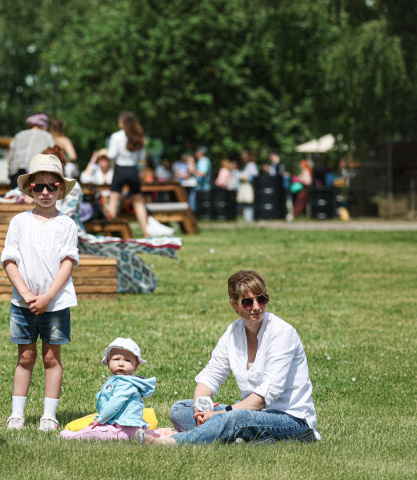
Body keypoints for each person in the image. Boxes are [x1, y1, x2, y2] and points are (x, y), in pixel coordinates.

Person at [149, 270, 319, 445]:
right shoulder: (233, 333)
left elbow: (263, 397)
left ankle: (172, 442)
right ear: (233, 304)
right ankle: (238, 436)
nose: (256, 307)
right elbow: (210, 376)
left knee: (232, 418)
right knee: (180, 409)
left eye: (262, 299)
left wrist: (222, 413)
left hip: (291, 420)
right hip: (252, 414)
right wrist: (200, 408)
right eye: (247, 302)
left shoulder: (282, 333)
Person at [1, 154, 80, 432]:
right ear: (29, 189)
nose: (45, 192)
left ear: (60, 190)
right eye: (38, 187)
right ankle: (17, 414)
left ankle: (49, 415)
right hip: (22, 303)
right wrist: (24, 293)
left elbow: (67, 263)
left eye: (51, 186)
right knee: (25, 356)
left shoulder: (67, 225)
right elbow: (9, 260)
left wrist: (47, 297)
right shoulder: (19, 222)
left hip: (55, 304)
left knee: (51, 357)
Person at [60, 338, 157, 442]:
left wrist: (101, 419)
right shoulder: (117, 380)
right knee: (97, 428)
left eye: (127, 360)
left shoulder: (126, 384)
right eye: (116, 359)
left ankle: (73, 436)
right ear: (108, 361)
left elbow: (115, 403)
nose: (121, 364)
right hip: (119, 423)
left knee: (96, 432)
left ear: (136, 365)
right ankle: (137, 433)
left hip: (123, 426)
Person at [105, 111, 150, 237]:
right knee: (138, 201)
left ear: (123, 122)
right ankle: (145, 231)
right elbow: (142, 157)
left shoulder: (116, 136)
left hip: (120, 169)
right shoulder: (139, 136)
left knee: (114, 199)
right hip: (133, 170)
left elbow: (111, 155)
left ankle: (112, 230)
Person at [7, 113, 55, 187]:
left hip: (16, 176)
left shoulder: (19, 135)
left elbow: (10, 157)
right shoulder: (47, 136)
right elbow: (53, 156)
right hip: (37, 175)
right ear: (43, 125)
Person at [236, 150, 258, 222]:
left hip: (248, 187)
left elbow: (254, 176)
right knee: (244, 203)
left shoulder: (251, 165)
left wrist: (244, 177)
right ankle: (247, 219)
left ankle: (249, 220)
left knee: (248, 203)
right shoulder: (245, 166)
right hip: (244, 186)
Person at [191, 146, 212, 215]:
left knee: (201, 204)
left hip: (203, 187)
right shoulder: (202, 160)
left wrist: (193, 170)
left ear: (201, 153)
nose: (195, 153)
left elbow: (202, 174)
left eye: (197, 152)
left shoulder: (204, 160)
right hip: (200, 186)